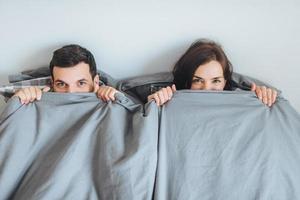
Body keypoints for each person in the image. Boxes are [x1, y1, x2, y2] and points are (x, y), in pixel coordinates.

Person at [148, 39, 278, 107]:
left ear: (225, 82)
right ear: (187, 81)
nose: (207, 89)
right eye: (198, 80)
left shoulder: (237, 100)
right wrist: (153, 105)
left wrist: (261, 98)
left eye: (216, 81)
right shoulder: (172, 101)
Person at [14, 44, 119, 104]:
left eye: (81, 83)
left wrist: (116, 98)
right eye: (61, 84)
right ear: (52, 84)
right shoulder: (36, 101)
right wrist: (17, 102)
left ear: (95, 81)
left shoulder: (109, 102)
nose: (70, 92)